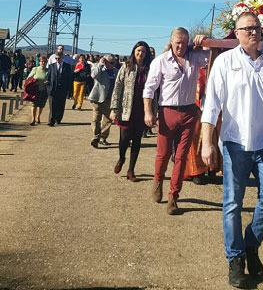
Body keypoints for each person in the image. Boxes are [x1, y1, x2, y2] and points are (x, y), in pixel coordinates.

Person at [201, 11, 263, 288]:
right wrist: (208, 142)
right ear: (237, 33)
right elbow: (212, 106)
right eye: (247, 28)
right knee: (232, 203)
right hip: (235, 144)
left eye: (256, 27)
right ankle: (235, 259)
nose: (254, 32)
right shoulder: (225, 62)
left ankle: (251, 244)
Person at [143, 28, 208, 215]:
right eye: (177, 42)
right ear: (171, 41)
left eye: (184, 42)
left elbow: (214, 54)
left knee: (181, 157)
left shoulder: (194, 57)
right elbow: (149, 89)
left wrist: (205, 40)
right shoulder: (161, 61)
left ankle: (174, 196)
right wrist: (148, 112)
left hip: (188, 113)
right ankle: (157, 181)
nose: (180, 46)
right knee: (162, 155)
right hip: (167, 112)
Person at [110, 42, 156, 182]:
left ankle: (131, 170)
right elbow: (118, 87)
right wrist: (114, 108)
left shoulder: (150, 69)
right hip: (126, 108)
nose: (141, 53)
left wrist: (154, 112)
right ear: (134, 51)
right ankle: (122, 158)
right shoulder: (126, 66)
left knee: (137, 140)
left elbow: (155, 91)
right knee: (124, 138)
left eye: (143, 51)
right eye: (138, 50)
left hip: (142, 109)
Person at [88, 54, 118, 148]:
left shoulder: (116, 71)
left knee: (108, 120)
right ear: (105, 61)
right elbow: (94, 75)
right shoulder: (99, 69)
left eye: (114, 62)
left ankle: (103, 138)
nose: (113, 64)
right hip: (98, 98)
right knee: (96, 118)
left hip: (110, 99)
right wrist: (100, 64)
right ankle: (95, 137)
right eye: (111, 62)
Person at [46, 52, 72, 126]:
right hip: (53, 89)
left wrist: (69, 90)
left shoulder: (67, 67)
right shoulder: (51, 66)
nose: (57, 60)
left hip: (62, 89)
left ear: (62, 58)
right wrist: (47, 84)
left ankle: (58, 119)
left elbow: (69, 79)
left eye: (58, 58)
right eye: (56, 58)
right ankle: (51, 120)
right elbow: (48, 76)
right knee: (52, 105)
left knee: (60, 105)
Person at [27, 56, 48, 125]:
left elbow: (51, 79)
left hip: (44, 90)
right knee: (34, 105)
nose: (43, 63)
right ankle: (33, 119)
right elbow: (29, 77)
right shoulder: (35, 69)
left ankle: (38, 117)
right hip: (35, 90)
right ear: (39, 62)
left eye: (45, 61)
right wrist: (34, 81)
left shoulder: (48, 70)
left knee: (41, 105)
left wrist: (48, 82)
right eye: (42, 61)